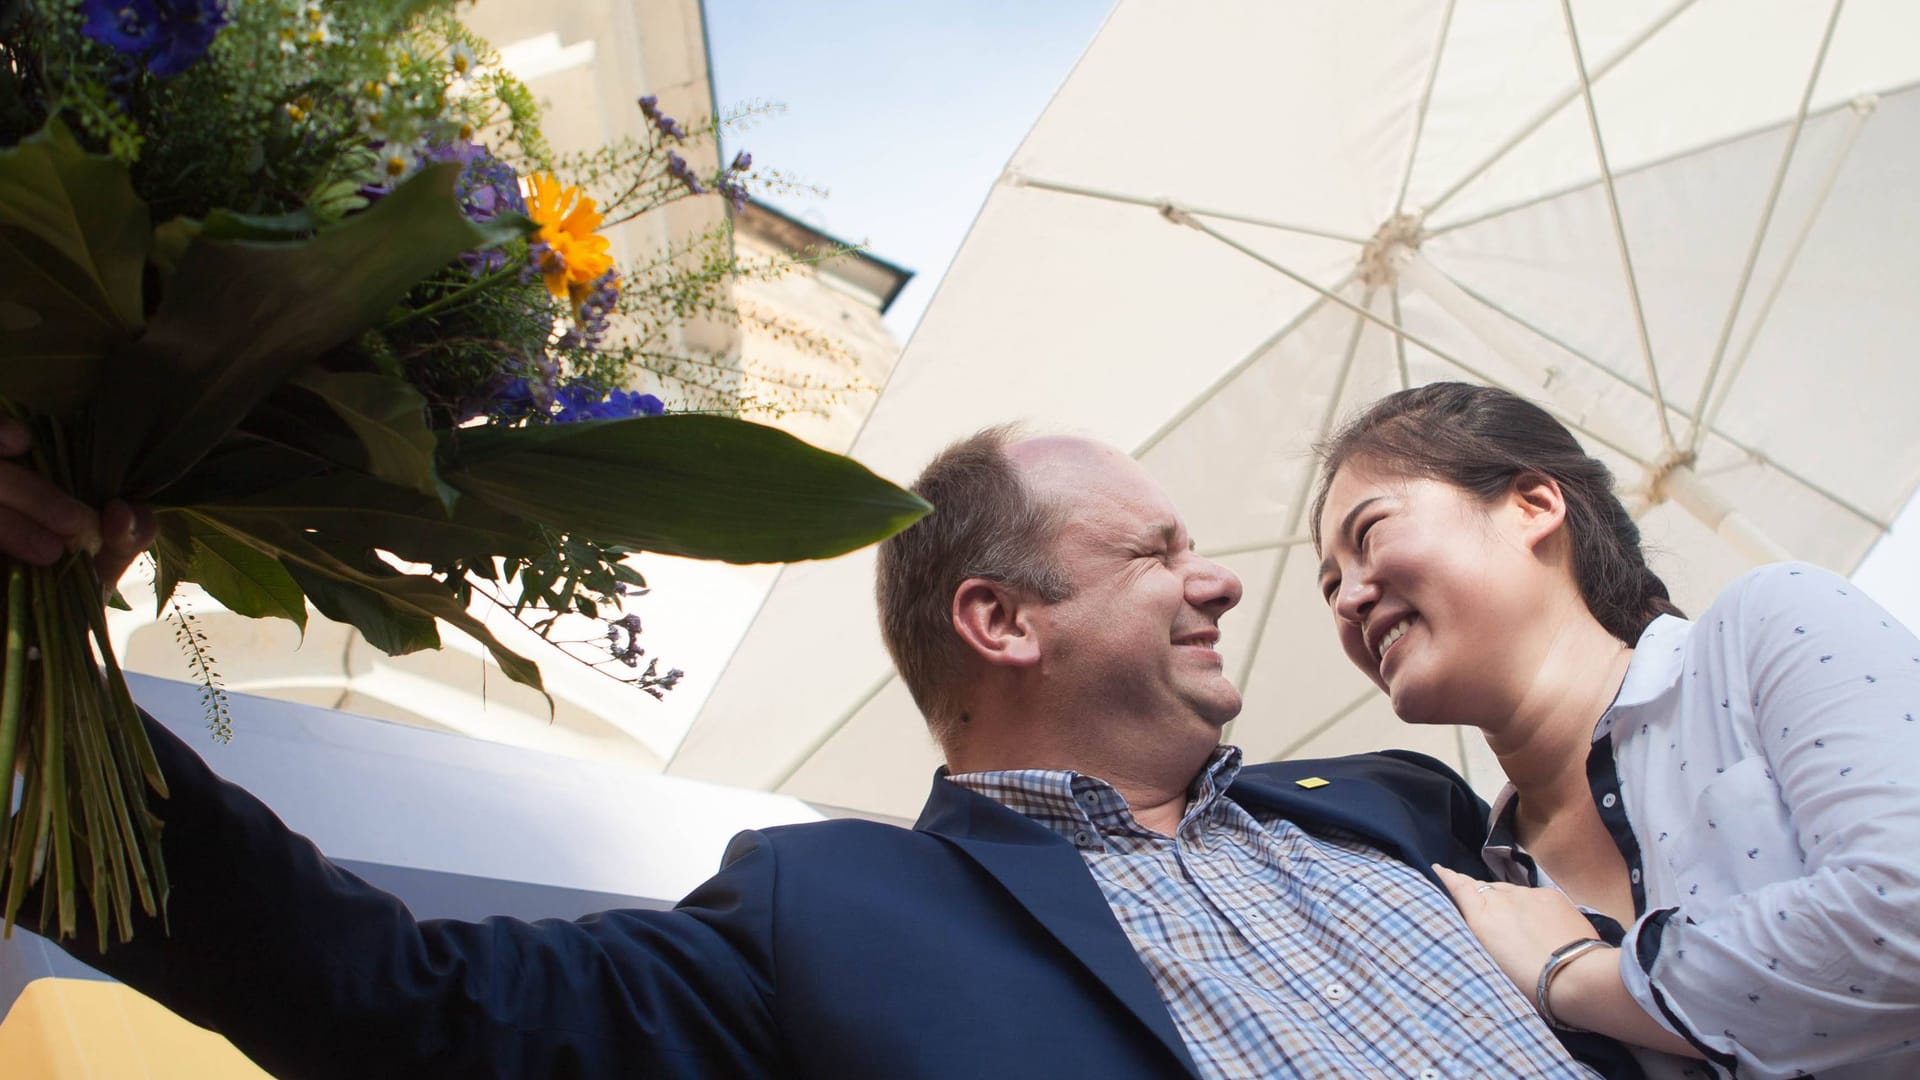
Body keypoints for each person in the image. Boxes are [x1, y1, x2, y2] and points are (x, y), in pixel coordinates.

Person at [3, 417, 1612, 1079]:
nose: (1224, 581)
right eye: (1156, 550)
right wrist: (27, 683)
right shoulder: (826, 918)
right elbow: (390, 1007)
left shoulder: (1405, 802)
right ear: (1002, 622)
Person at [1312, 382, 1920, 1080]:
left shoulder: (1766, 629)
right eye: (1331, 588)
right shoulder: (1479, 889)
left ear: (1533, 505)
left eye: (1370, 535)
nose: (1350, 600)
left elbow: (1905, 910)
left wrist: (1576, 978)